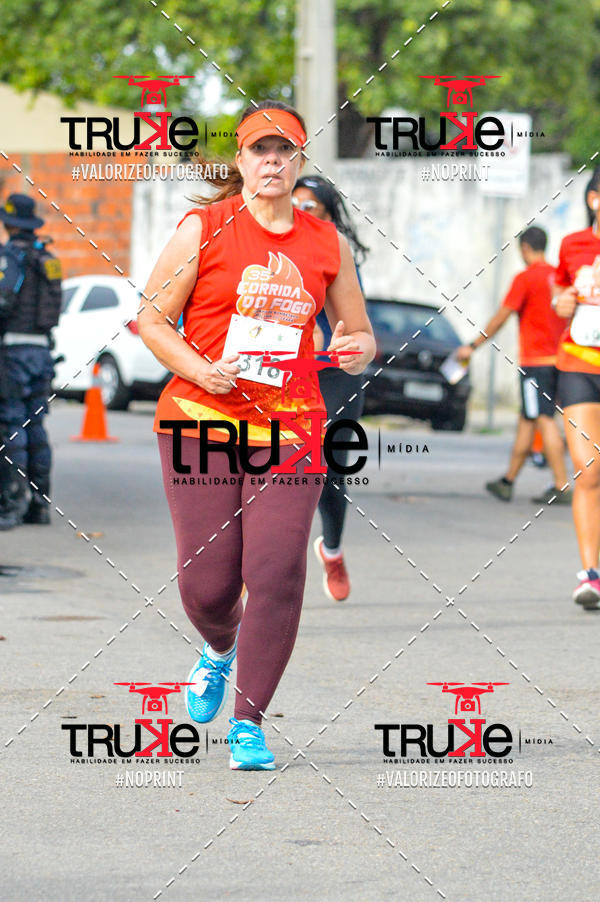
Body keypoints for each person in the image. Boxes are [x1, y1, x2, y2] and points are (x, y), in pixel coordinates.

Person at [138, 101, 375, 770]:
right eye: (260, 150)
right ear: (240, 160)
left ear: (299, 161)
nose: (272, 161)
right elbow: (152, 322)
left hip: (292, 425)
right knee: (208, 589)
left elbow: (357, 333)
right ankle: (219, 648)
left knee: (274, 573)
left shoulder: (324, 242)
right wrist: (202, 371)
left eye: (285, 151)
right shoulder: (204, 229)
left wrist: (357, 348)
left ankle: (249, 721)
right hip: (200, 420)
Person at [292, 175, 369, 602]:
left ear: (328, 212)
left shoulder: (337, 248)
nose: (303, 211)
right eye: (297, 203)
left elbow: (359, 325)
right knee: (284, 460)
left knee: (330, 469)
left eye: (312, 206)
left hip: (336, 371)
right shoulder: (272, 242)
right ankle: (264, 562)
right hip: (290, 367)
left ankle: (332, 549)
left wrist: (349, 344)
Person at [457, 226, 570, 504]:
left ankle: (561, 486)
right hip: (560, 362)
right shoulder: (558, 278)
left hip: (536, 365)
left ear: (525, 249)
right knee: (527, 421)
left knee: (543, 419)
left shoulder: (525, 278)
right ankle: (508, 481)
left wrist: (473, 346)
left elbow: (501, 318)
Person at [553, 166, 600, 608]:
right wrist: (562, 300)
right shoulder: (573, 246)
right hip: (580, 363)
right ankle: (591, 575)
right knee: (588, 469)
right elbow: (559, 294)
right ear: (594, 200)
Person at [0, 194, 62, 530]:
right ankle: (39, 505)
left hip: (13, 354)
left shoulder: (9, 258)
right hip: (42, 353)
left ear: (9, 223)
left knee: (11, 425)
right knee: (36, 427)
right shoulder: (47, 258)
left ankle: (12, 502)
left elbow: (3, 301)